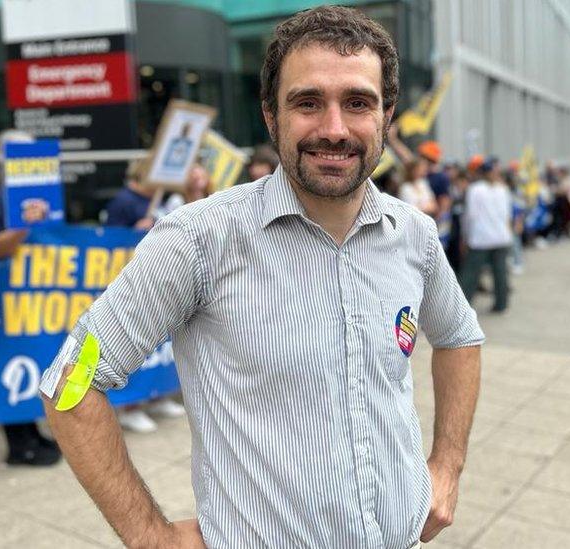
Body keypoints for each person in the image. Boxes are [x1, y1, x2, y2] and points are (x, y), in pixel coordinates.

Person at [40, 6, 483, 548]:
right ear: (272, 117)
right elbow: (71, 379)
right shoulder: (198, 238)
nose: (335, 128)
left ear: (387, 116)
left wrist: (448, 466)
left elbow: (460, 337)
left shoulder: (412, 233)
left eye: (358, 103)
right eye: (308, 102)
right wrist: (151, 536)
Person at [0, 130, 64, 465]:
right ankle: (18, 442)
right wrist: (22, 227)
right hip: (3, 290)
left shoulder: (27, 191)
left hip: (28, 286)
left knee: (32, 355)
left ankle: (31, 431)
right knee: (11, 360)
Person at [103, 156, 188, 433]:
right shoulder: (124, 201)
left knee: (159, 345)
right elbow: (111, 241)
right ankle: (131, 407)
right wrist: (133, 232)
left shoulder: (158, 199)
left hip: (157, 278)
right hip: (134, 280)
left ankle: (156, 396)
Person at [461, 157, 513, 312]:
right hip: (500, 236)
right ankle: (501, 304)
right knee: (500, 273)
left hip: (481, 238)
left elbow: (470, 215)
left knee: (471, 274)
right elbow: (507, 214)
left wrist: (466, 236)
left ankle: (463, 306)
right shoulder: (503, 189)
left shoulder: (475, 189)